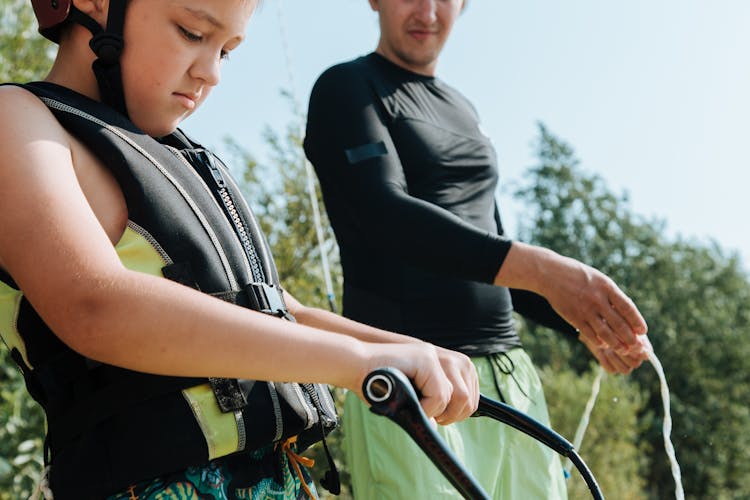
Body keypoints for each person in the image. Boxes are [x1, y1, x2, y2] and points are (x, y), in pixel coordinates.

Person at [0, 1, 481, 499]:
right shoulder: (17, 121)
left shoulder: (181, 157)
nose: (210, 73)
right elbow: (93, 304)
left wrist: (404, 351)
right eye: (191, 32)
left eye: (226, 52)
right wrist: (355, 361)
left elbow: (275, 309)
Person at [303, 0, 650, 498]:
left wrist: (589, 323)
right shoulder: (346, 87)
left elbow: (496, 257)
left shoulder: (464, 109)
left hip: (512, 382)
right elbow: (383, 214)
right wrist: (547, 270)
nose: (427, 10)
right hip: (411, 382)